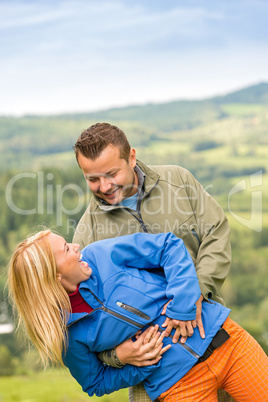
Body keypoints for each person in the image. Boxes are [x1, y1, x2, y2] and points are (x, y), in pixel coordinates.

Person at [72, 122, 232, 401]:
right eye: (93, 179)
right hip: (156, 375)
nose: (105, 186)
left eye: (111, 174)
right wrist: (116, 356)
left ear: (131, 157)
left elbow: (215, 231)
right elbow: (83, 322)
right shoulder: (87, 236)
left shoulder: (179, 181)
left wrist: (197, 291)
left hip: (214, 335)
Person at [8, 230, 268, 402]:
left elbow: (168, 246)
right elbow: (95, 382)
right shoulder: (68, 335)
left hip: (227, 343)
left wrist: (182, 305)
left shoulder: (102, 254)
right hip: (179, 386)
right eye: (66, 249)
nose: (77, 247)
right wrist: (127, 361)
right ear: (56, 278)